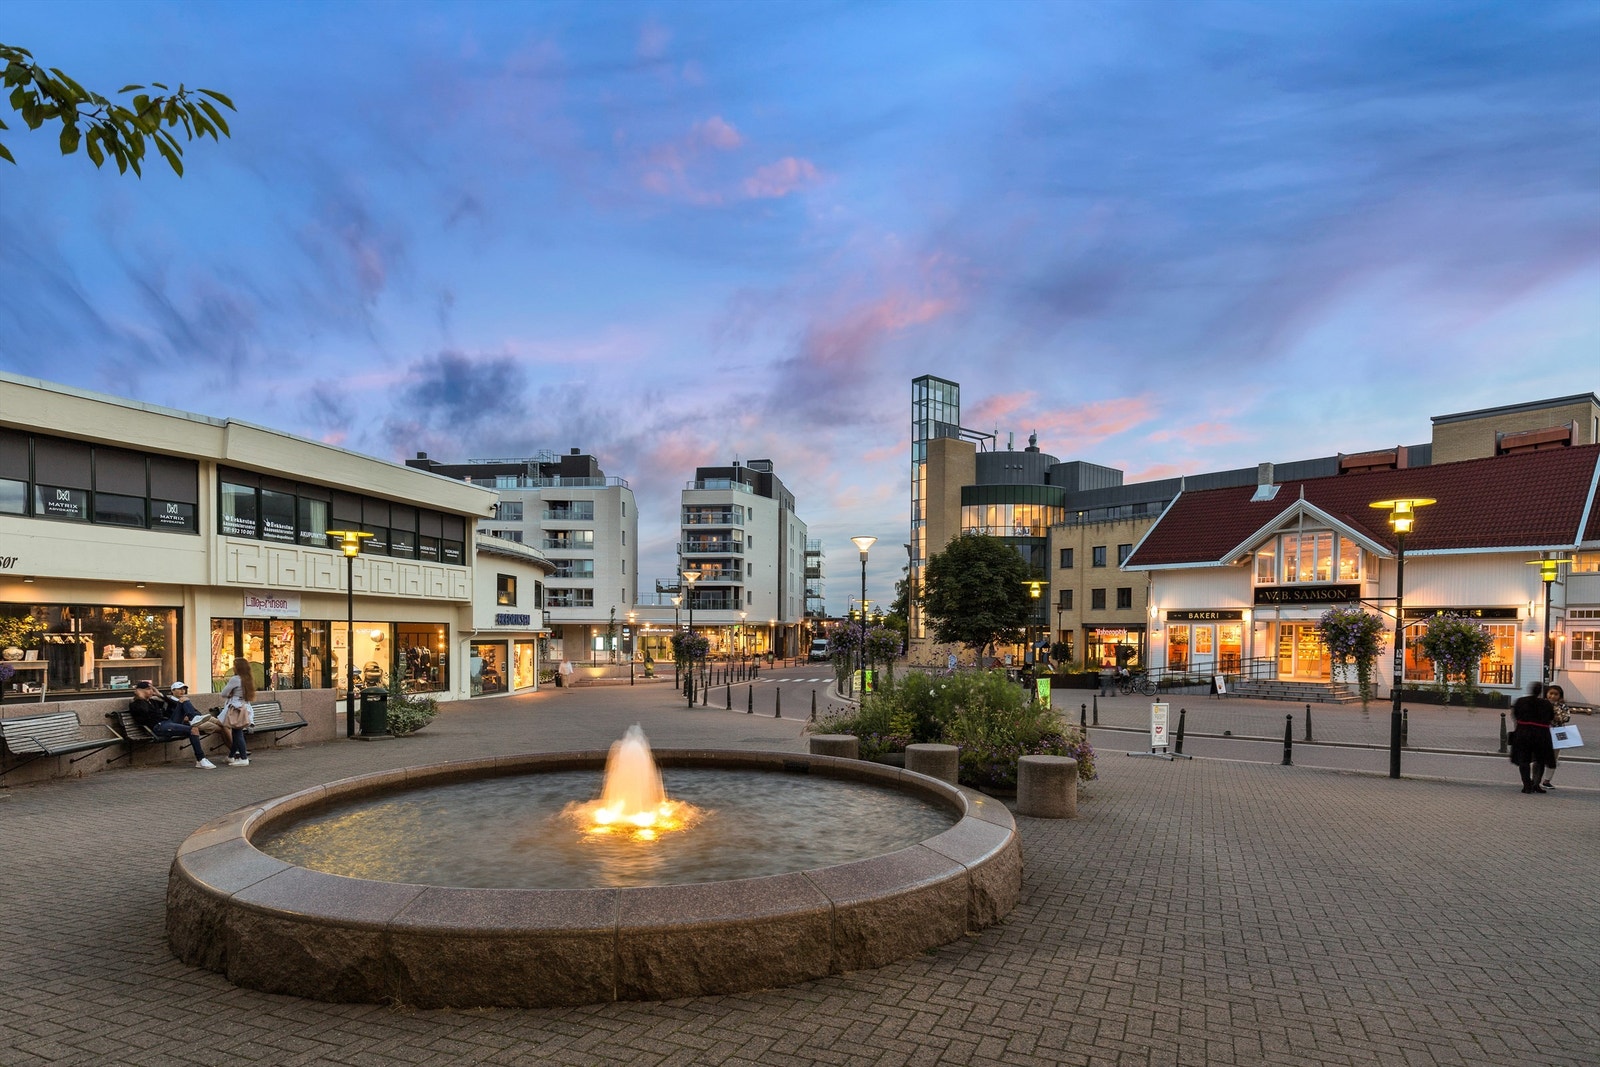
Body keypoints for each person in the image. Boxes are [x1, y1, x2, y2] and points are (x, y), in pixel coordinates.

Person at [128, 680, 214, 768]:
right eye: (148, 689)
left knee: (183, 700)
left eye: (152, 689)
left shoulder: (153, 701)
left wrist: (160, 695)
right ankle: (201, 759)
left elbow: (174, 704)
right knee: (193, 729)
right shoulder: (136, 704)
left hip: (168, 722)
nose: (152, 691)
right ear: (140, 691)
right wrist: (141, 697)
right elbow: (143, 712)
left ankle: (194, 718)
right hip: (158, 727)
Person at [1510, 681, 1555, 794]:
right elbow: (1551, 717)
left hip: (1523, 733)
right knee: (1540, 759)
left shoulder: (1521, 701)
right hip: (1541, 734)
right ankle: (1536, 784)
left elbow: (1515, 715)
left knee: (1523, 760)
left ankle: (1527, 785)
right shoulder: (1546, 704)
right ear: (1540, 692)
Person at [164, 680, 231, 756]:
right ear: (172, 691)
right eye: (179, 689)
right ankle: (235, 751)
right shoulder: (171, 702)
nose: (182, 691)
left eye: (183, 689)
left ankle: (235, 751)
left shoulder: (185, 700)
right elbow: (174, 717)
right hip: (191, 723)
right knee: (223, 729)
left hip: (200, 718)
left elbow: (197, 712)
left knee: (225, 725)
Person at [218, 657, 255, 767]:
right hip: (245, 707)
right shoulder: (248, 679)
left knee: (238, 733)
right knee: (236, 732)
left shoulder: (235, 679)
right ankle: (231, 756)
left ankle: (244, 758)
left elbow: (224, 693)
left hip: (235, 708)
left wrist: (230, 694)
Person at [1543, 684, 1572, 788]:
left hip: (1559, 731)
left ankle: (1547, 780)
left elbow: (1565, 718)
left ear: (1560, 696)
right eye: (1551, 693)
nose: (1553, 696)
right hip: (1544, 731)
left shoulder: (1563, 706)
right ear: (1546, 694)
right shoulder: (1541, 704)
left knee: (1554, 757)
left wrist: (1555, 708)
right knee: (1539, 755)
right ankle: (1535, 778)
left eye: (1556, 694)